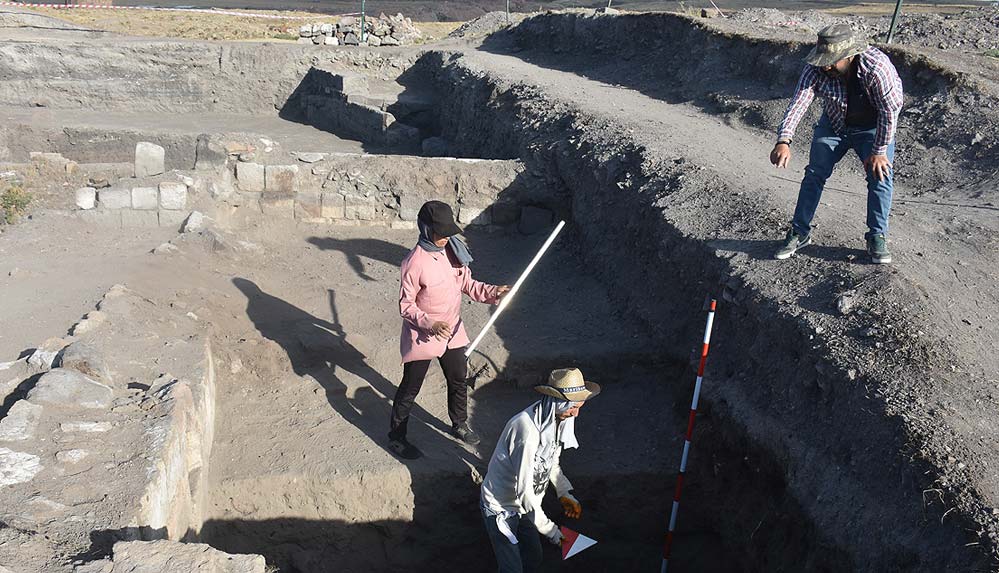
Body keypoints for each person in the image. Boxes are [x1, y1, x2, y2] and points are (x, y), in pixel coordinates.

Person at [770, 23, 903, 264]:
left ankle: (877, 236)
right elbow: (799, 103)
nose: (827, 65)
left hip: (873, 127)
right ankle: (799, 232)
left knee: (880, 175)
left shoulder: (877, 67)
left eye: (832, 60)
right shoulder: (817, 68)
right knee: (814, 174)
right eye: (824, 60)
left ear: (849, 55)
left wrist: (880, 151)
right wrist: (784, 139)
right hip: (834, 124)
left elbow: (890, 111)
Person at [388, 200, 509, 460]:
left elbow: (468, 284)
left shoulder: (455, 251)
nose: (444, 237)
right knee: (410, 387)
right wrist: (431, 323)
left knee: (458, 379)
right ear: (425, 228)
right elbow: (406, 305)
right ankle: (396, 437)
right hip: (423, 335)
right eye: (439, 232)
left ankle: (459, 424)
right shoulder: (414, 262)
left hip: (453, 330)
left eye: (447, 232)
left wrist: (493, 292)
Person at [480, 368, 600, 573]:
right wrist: (555, 534)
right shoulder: (526, 431)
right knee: (512, 569)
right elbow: (524, 492)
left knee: (534, 557)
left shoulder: (556, 419)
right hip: (501, 506)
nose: (576, 413)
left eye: (580, 407)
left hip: (525, 508)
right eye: (573, 407)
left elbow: (551, 461)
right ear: (559, 402)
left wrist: (563, 492)